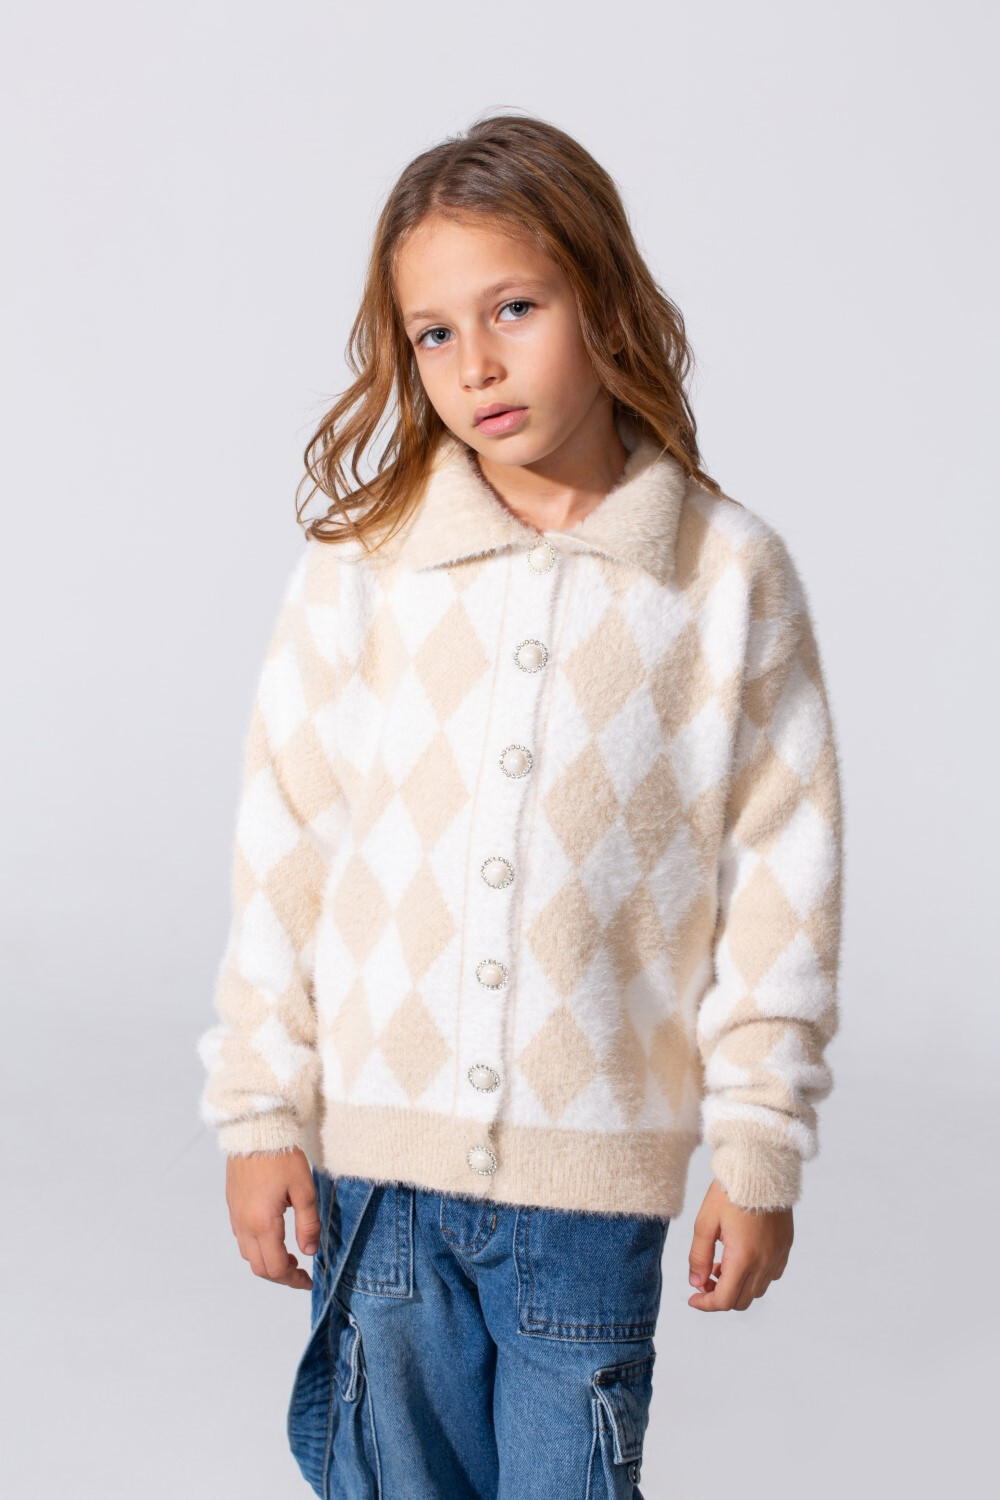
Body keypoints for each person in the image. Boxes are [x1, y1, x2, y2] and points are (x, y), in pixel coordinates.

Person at [196, 111, 845, 1498]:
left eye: (513, 309)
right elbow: (286, 848)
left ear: (601, 298)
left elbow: (780, 891)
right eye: (433, 333)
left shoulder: (725, 577)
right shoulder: (365, 567)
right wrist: (259, 1113)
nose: (476, 364)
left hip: (587, 1201)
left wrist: (758, 1150)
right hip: (380, 1191)